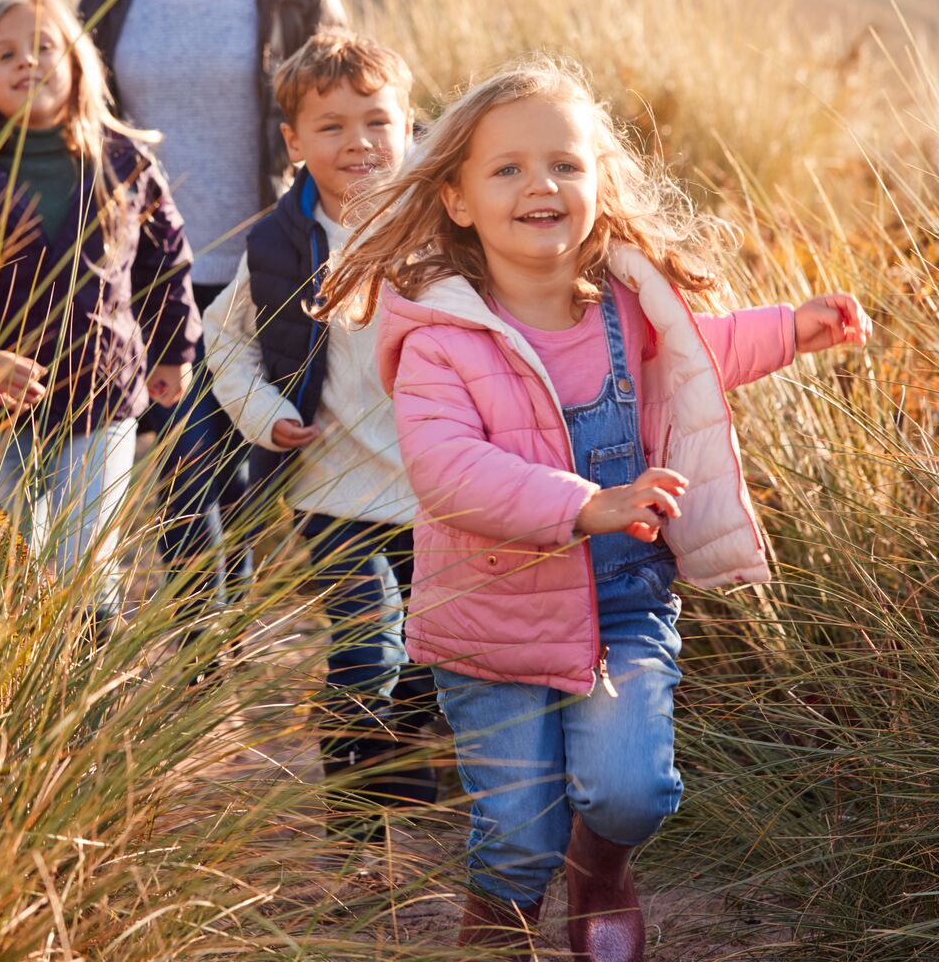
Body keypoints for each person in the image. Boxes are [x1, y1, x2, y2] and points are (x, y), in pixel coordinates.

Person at [319, 57, 871, 958]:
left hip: (622, 605)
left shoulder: (630, 311)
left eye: (565, 165)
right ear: (457, 199)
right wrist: (587, 505)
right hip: (491, 622)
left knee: (633, 793)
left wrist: (792, 329)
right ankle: (499, 921)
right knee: (516, 832)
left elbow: (701, 354)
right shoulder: (438, 339)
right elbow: (448, 470)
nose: (540, 184)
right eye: (507, 168)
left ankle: (602, 869)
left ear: (598, 184)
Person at [78, 0, 347, 619]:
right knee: (194, 468)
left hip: (258, 264)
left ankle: (211, 658)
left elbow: (342, 87)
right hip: (145, 268)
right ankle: (207, 658)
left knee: (215, 469)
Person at [0, 0, 197, 631]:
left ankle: (88, 701)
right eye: (6, 54)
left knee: (87, 560)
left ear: (78, 64)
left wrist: (173, 351)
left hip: (100, 396)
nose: (27, 62)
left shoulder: (125, 162)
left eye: (44, 47)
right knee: (3, 558)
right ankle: (15, 707)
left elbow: (165, 264)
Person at [202, 31, 432, 845]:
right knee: (368, 647)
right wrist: (265, 415)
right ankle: (360, 835)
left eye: (377, 120)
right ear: (294, 143)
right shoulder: (280, 241)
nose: (358, 142)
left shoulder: (452, 224)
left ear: (410, 125)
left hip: (444, 488)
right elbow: (222, 342)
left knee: (432, 660)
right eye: (330, 127)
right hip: (333, 488)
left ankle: (403, 774)